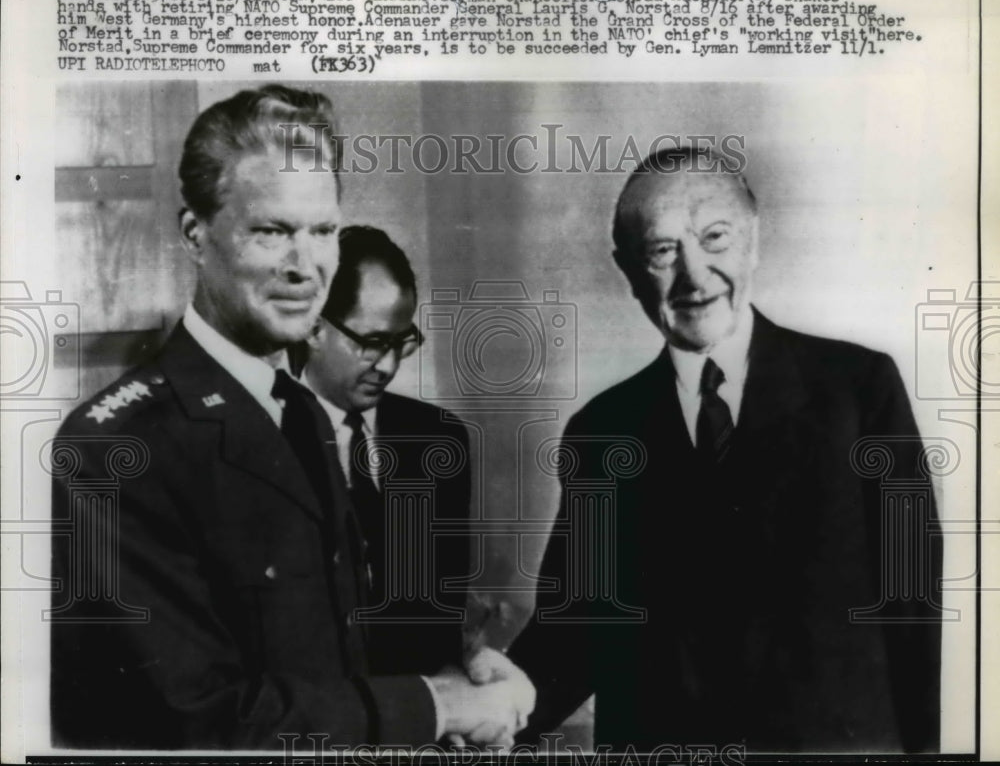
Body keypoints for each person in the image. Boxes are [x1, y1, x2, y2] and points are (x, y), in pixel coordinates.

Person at [49, 85, 531, 750]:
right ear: (197, 234)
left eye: (323, 231)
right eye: (272, 231)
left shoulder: (299, 412)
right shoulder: (120, 446)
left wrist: (460, 671)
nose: (306, 268)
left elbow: (331, 659)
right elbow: (191, 723)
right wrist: (431, 707)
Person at [507, 147, 942, 753]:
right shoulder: (601, 431)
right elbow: (577, 628)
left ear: (754, 240)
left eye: (715, 238)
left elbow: (912, 599)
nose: (694, 276)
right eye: (662, 252)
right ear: (629, 270)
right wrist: (486, 705)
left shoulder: (859, 388)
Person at [296, 225, 472, 678]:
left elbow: (443, 613)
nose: (389, 365)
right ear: (313, 327)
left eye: (401, 342)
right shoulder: (259, 438)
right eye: (373, 343)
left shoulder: (439, 439)